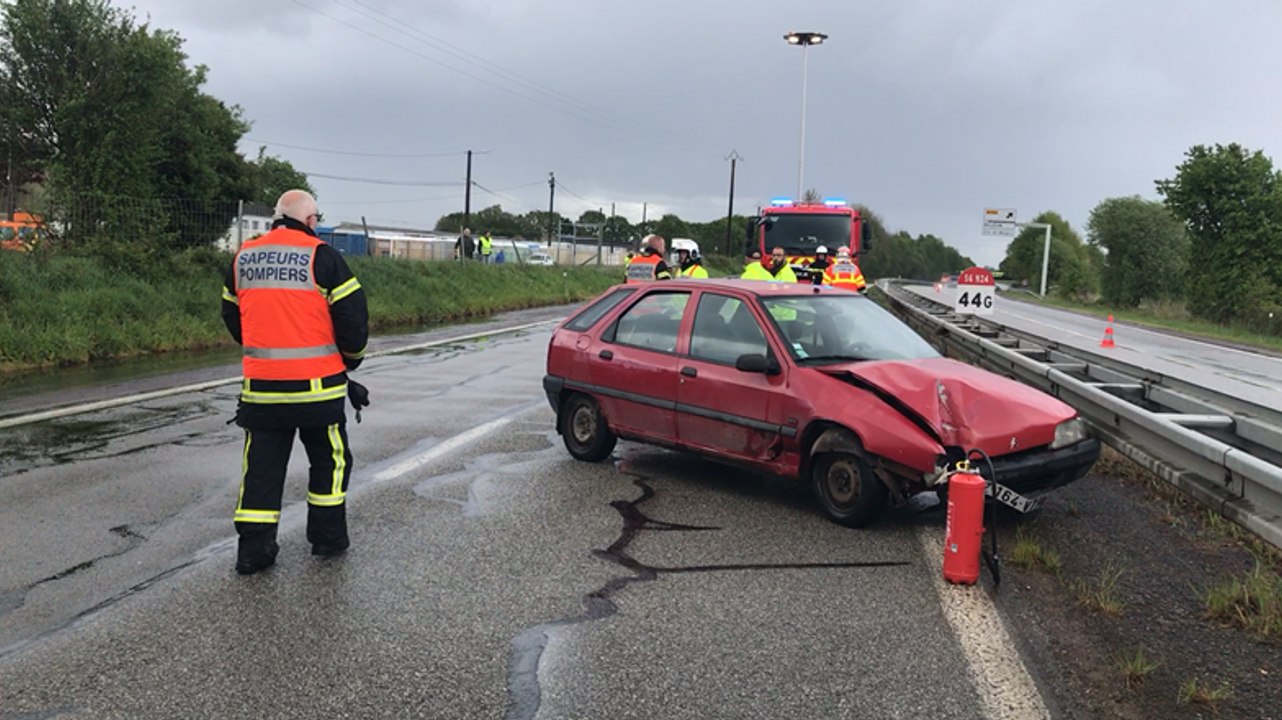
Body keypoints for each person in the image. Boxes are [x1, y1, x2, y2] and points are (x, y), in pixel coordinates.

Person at [221, 189, 370, 575]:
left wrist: (262, 345)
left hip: (262, 391)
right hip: (319, 391)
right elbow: (353, 319)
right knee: (330, 461)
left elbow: (233, 315)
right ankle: (328, 539)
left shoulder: (244, 257)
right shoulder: (322, 256)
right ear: (309, 220)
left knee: (261, 469)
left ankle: (253, 552)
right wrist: (349, 363)